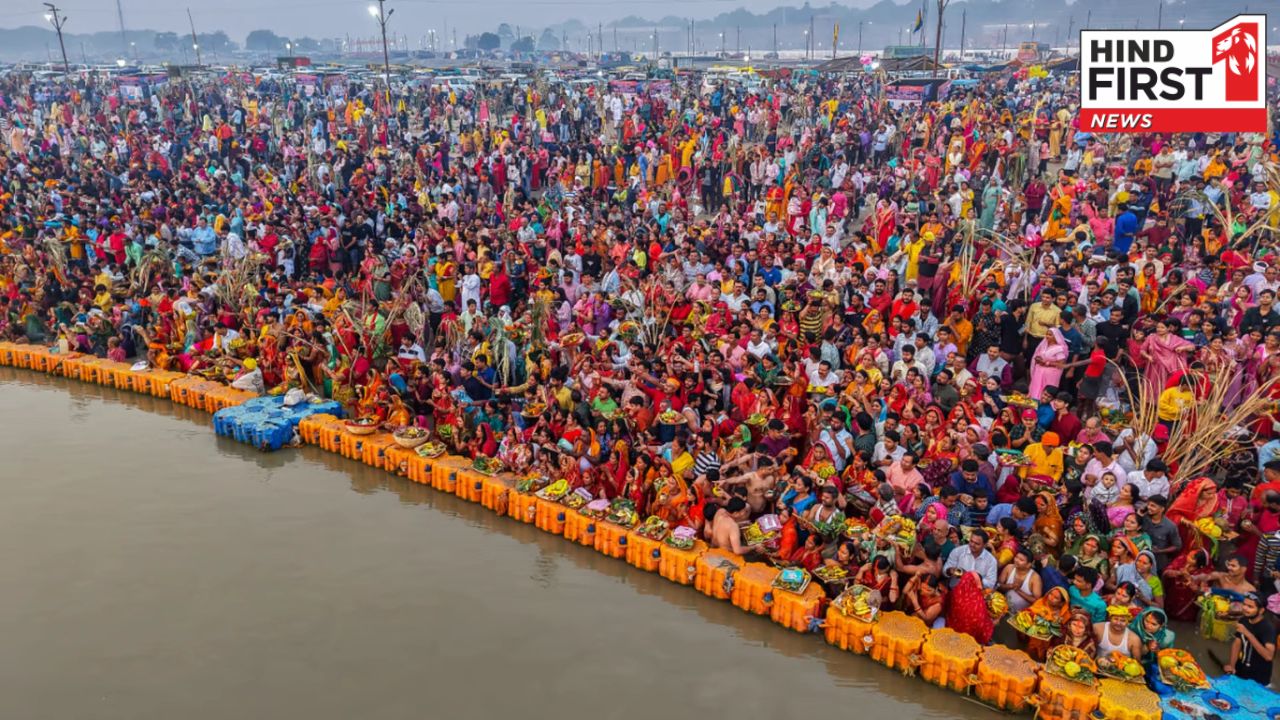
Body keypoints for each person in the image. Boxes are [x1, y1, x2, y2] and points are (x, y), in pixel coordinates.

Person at [1225, 592, 1276, 686]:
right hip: (1241, 669)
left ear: (1261, 611)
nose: (1245, 608)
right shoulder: (1243, 620)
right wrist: (1232, 665)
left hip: (1259, 677)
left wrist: (1248, 633)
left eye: (1250, 606)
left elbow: (1269, 656)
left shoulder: (1268, 628)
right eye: (1244, 604)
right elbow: (1237, 643)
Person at [945, 571, 996, 644]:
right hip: (971, 640)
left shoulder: (955, 592)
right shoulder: (979, 602)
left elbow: (946, 604)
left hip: (951, 632)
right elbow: (981, 625)